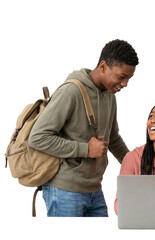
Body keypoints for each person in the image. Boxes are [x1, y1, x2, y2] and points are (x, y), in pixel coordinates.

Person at [28, 39, 139, 217]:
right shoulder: (71, 91)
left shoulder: (109, 95)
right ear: (103, 66)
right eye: (121, 77)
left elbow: (113, 138)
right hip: (65, 190)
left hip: (95, 189)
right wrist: (86, 149)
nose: (125, 83)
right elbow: (38, 137)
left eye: (129, 78)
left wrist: (135, 164)